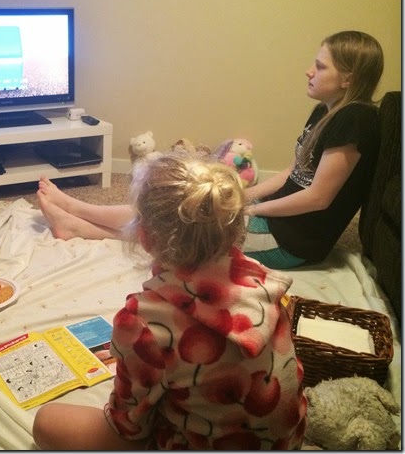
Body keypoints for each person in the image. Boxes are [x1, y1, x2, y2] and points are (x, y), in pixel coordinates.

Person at [37, 30, 384, 269]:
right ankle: (78, 223)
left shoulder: (356, 119)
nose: (309, 71)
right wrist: (243, 195)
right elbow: (294, 174)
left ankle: (77, 212)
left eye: (320, 66)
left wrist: (252, 211)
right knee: (179, 208)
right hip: (274, 220)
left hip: (290, 243)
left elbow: (318, 198)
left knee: (184, 226)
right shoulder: (325, 111)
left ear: (349, 78)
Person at [32, 153, 307, 450]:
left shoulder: (144, 320)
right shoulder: (261, 279)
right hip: (287, 442)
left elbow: (129, 428)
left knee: (47, 420)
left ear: (144, 238)